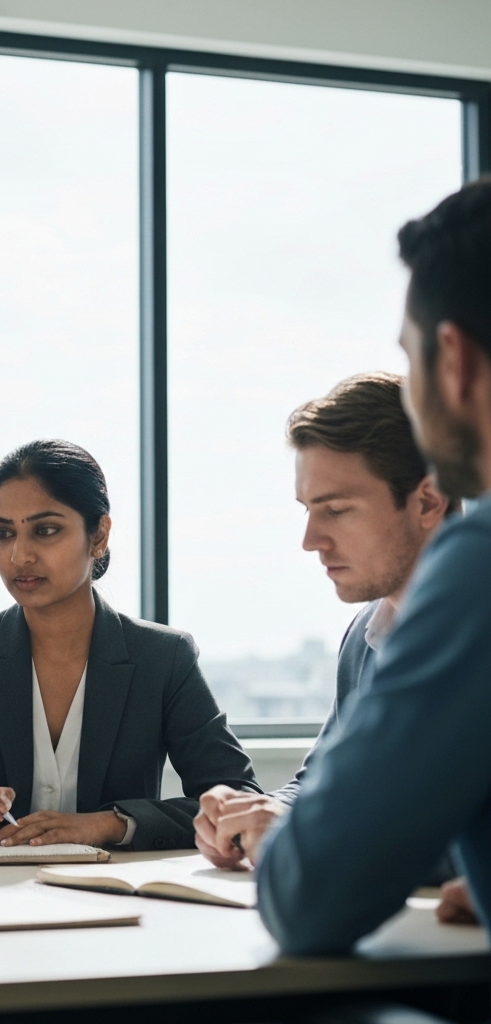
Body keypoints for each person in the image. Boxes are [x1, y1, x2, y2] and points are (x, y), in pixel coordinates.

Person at [254, 178, 491, 953]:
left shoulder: (474, 571)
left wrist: (277, 842)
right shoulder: (376, 628)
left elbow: (307, 895)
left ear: (451, 359)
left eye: (410, 361)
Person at [0, 439, 261, 851]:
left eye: (45, 530)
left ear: (99, 535)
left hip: (115, 897)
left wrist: (111, 824)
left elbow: (237, 798)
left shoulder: (162, 657)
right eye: (3, 533)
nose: (20, 555)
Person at [193, 373, 452, 868]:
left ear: (427, 501)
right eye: (308, 509)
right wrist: (260, 813)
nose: (311, 540)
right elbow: (321, 782)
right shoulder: (366, 634)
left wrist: (312, 836)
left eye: (335, 510)